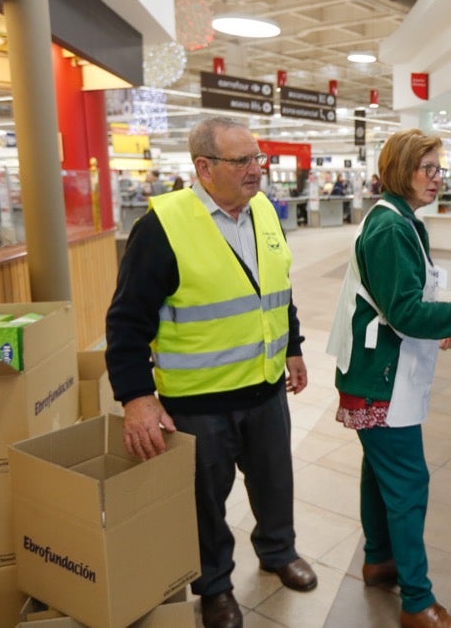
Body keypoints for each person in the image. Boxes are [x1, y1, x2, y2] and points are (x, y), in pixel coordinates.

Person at [106, 117, 315, 628]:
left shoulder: (264, 210)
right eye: (241, 160)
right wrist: (137, 397)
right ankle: (216, 585)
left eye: (257, 158)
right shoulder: (162, 227)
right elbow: (126, 320)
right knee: (205, 501)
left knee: (274, 481)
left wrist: (293, 346)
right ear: (203, 168)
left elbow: (276, 286)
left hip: (265, 389)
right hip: (199, 400)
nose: (255, 170)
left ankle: (278, 550)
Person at [326, 128, 451, 628]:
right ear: (401, 170)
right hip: (381, 380)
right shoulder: (392, 228)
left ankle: (379, 560)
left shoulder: (397, 218)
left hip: (375, 373)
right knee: (409, 483)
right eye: (429, 169)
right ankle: (417, 603)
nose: (440, 179)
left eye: (442, 169)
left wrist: (441, 323)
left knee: (380, 473)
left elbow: (405, 301)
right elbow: (406, 314)